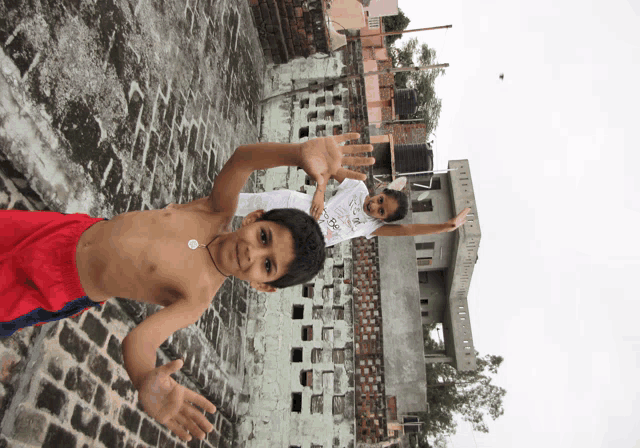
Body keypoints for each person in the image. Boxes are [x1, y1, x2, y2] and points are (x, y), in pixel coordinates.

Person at [1, 133, 374, 442]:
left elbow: (140, 342)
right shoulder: (213, 211)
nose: (251, 252)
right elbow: (242, 159)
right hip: (65, 231)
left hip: (55, 287)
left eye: (266, 264)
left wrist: (146, 377)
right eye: (263, 237)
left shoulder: (197, 298)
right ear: (255, 217)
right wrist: (296, 153)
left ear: (263, 285)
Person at [235, 174, 470, 247]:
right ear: (380, 190)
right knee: (236, 206)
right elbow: (326, 169)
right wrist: (320, 191)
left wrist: (445, 226)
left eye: (380, 211)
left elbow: (408, 230)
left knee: (246, 238)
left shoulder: (371, 228)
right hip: (292, 205)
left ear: (382, 220)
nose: (374, 206)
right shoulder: (356, 187)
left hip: (294, 237)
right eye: (379, 200)